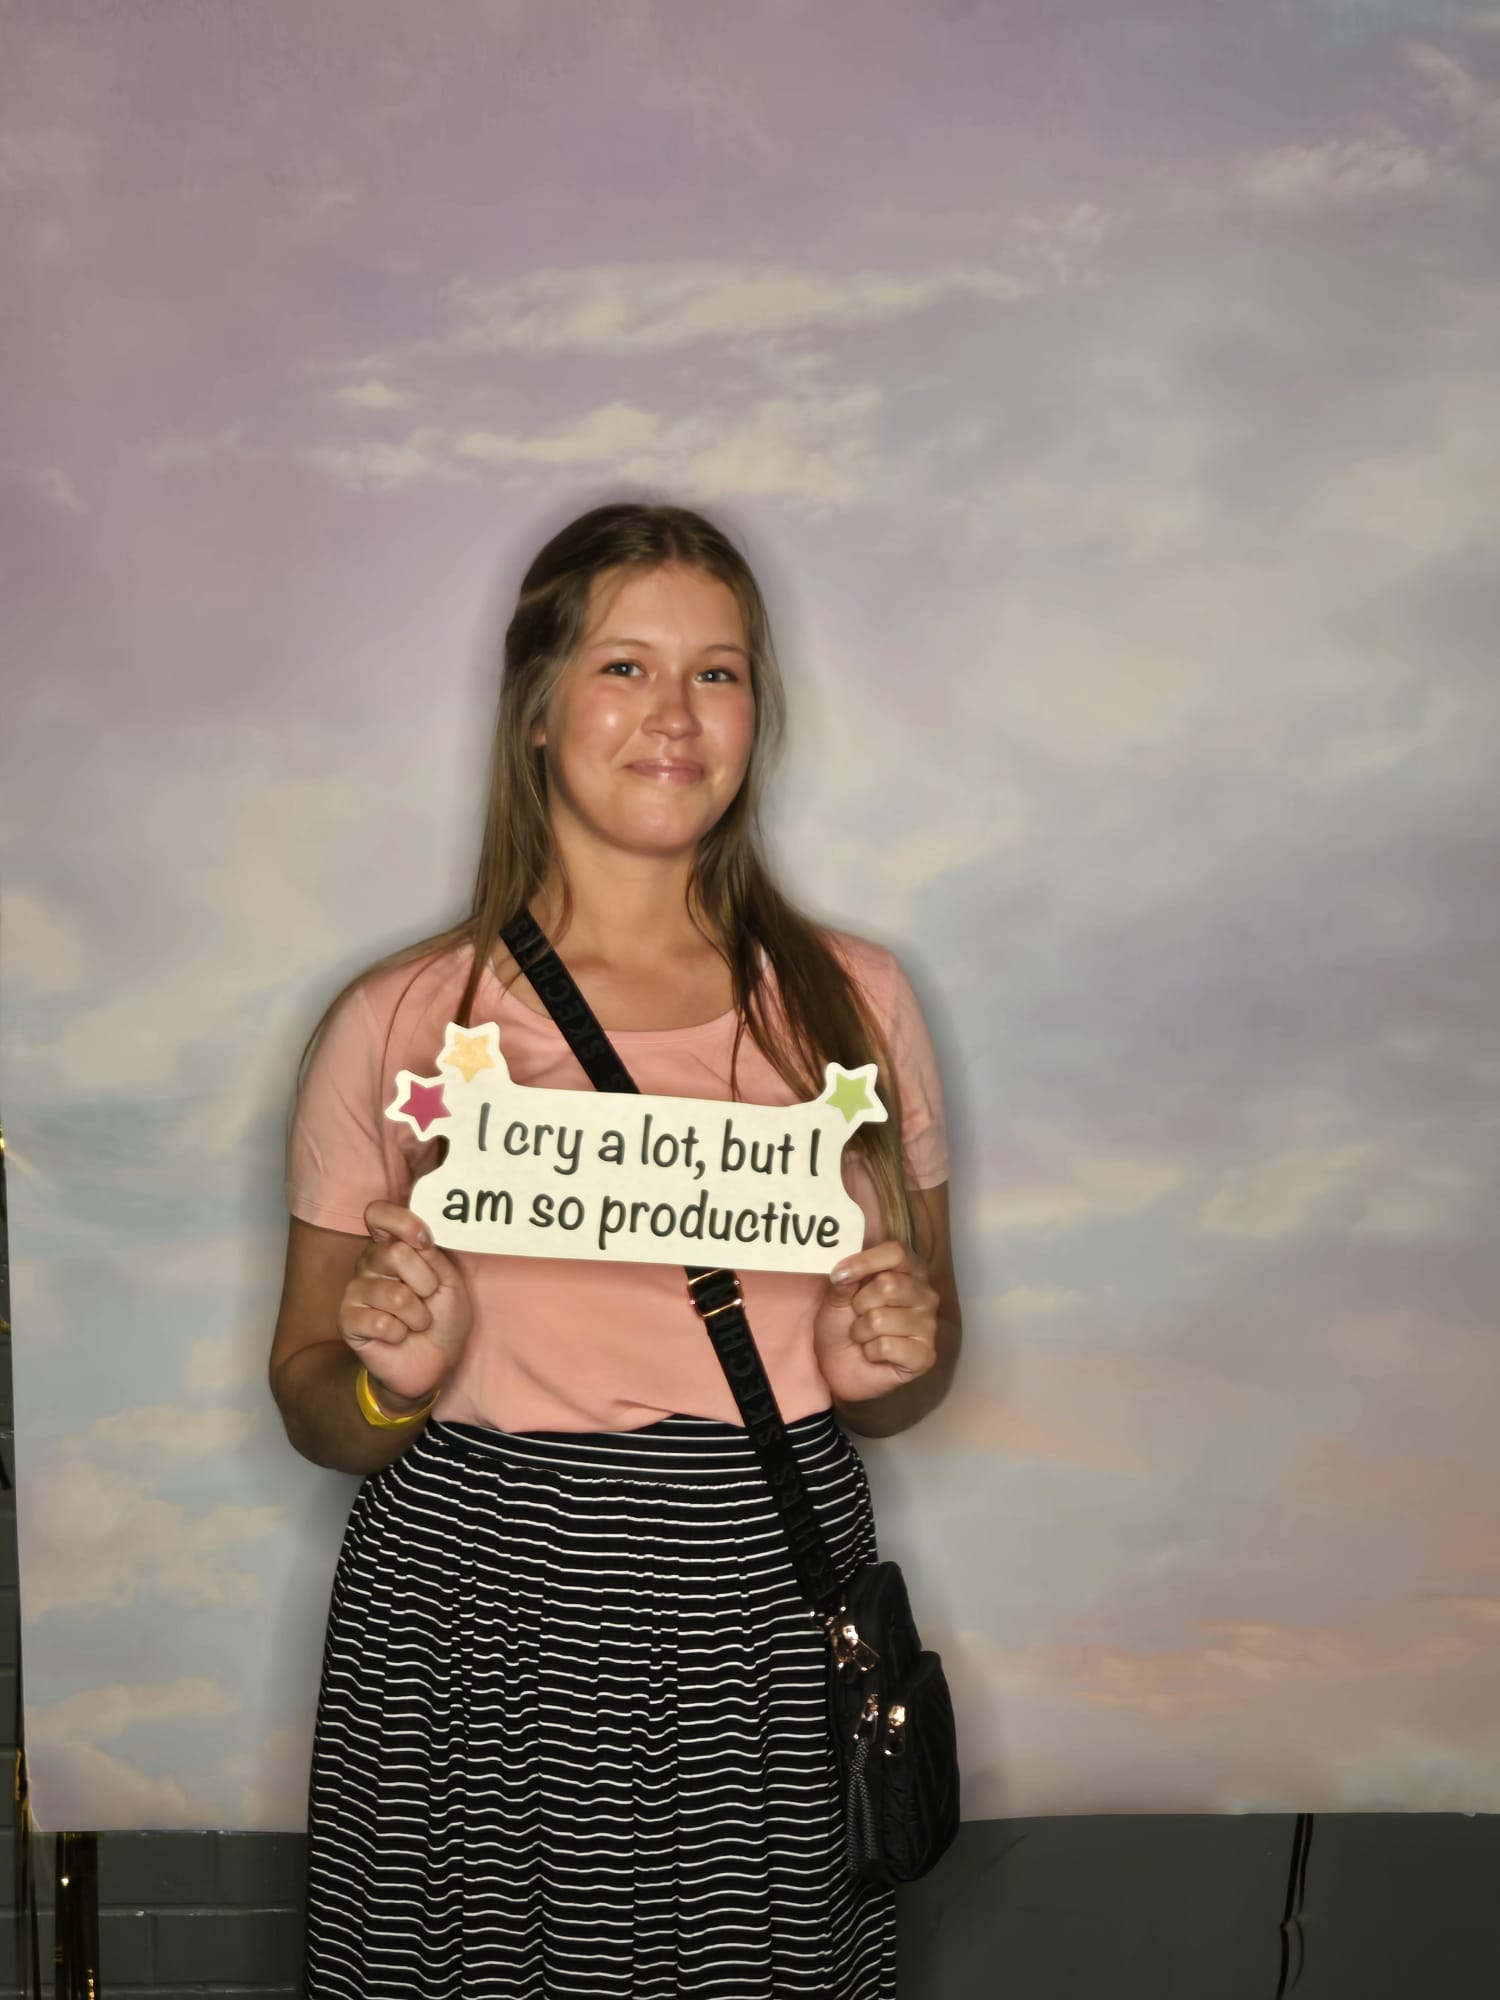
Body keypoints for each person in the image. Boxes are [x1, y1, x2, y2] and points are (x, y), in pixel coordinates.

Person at [269, 501, 962, 2000]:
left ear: (756, 715)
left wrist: (887, 1367)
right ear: (536, 710)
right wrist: (392, 1381)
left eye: (717, 673)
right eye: (624, 667)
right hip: (474, 1611)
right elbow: (314, 1403)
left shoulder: (859, 1005)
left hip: (763, 1614)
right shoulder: (399, 1022)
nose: (674, 715)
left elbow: (915, 1375)